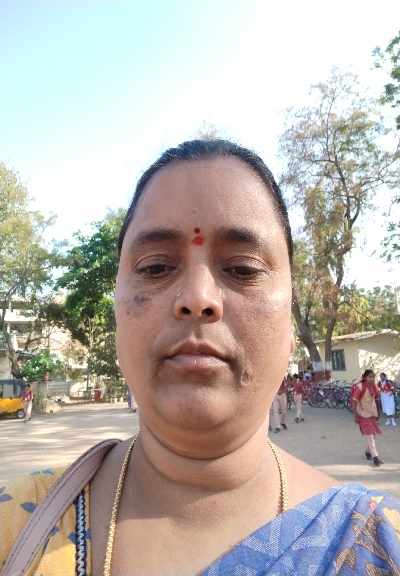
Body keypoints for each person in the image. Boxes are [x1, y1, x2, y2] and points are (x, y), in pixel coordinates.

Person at [1, 140, 399, 575]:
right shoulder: (17, 524)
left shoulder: (381, 543)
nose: (197, 298)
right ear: (117, 315)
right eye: (155, 267)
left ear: (290, 322)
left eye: (243, 269)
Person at [352, 369, 384, 467]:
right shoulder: (360, 387)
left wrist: (378, 413)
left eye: (373, 376)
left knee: (373, 435)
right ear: (365, 377)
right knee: (370, 436)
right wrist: (355, 415)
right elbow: (354, 401)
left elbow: (377, 398)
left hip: (372, 413)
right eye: (370, 377)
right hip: (362, 414)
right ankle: (375, 457)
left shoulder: (374, 386)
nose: (372, 378)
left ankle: (368, 451)